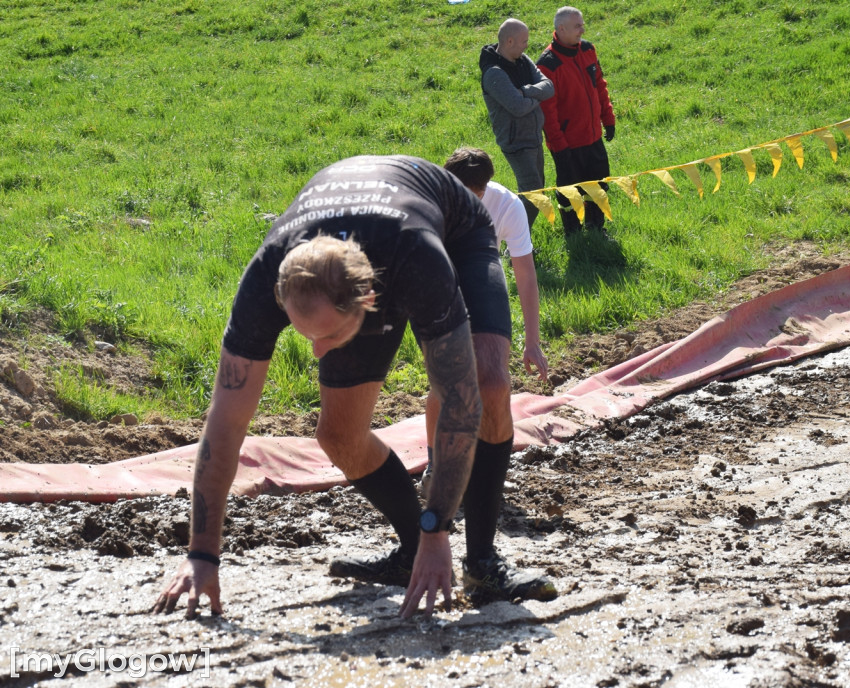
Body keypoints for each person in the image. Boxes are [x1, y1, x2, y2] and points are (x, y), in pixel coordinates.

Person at [151, 155, 556, 621]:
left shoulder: (417, 259)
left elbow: (459, 401)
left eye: (326, 336)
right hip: (355, 240)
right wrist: (202, 555)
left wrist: (437, 528)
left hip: (452, 228)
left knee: (486, 386)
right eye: (307, 335)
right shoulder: (266, 277)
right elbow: (225, 421)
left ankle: (482, 565)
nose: (318, 352)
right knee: (339, 434)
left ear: (368, 301)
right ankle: (410, 555)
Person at [417, 148, 549, 488]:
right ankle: (437, 466)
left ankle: (490, 469)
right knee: (451, 379)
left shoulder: (507, 206)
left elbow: (525, 273)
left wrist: (532, 341)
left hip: (484, 281)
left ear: (486, 187)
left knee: (494, 380)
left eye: (473, 196)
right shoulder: (428, 203)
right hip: (440, 279)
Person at [537, 6, 616, 236]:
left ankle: (596, 226)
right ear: (561, 29)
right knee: (569, 190)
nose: (583, 29)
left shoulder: (588, 50)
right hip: (567, 143)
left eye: (582, 24)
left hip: (593, 137)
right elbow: (547, 113)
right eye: (577, 26)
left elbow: (599, 85)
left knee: (598, 184)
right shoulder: (547, 65)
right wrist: (560, 147)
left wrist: (608, 119)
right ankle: (572, 231)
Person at [480, 18, 554, 229]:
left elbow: (549, 86)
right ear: (509, 41)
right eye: (524, 41)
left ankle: (520, 240)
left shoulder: (523, 60)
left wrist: (526, 92)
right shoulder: (494, 73)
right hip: (516, 143)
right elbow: (517, 107)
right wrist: (536, 95)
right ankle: (514, 240)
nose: (527, 45)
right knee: (533, 195)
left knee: (536, 192)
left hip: (533, 137)